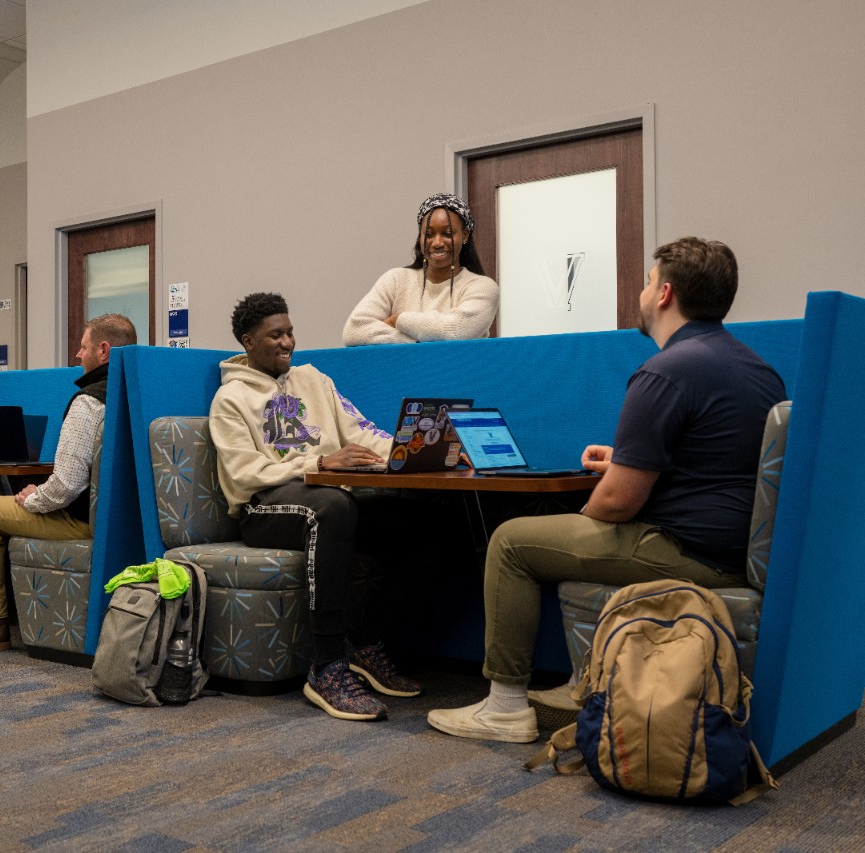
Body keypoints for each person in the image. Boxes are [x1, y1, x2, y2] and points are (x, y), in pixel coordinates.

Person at [426, 237, 787, 744]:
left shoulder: (666, 370)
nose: (640, 292)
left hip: (686, 549)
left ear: (664, 293)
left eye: (645, 281)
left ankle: (504, 707)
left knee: (510, 542)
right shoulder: (756, 368)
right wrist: (626, 461)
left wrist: (596, 504)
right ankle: (580, 684)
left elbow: (618, 502)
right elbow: (715, 458)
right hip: (731, 545)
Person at [209, 292, 421, 721]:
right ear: (248, 341)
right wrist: (319, 463)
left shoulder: (315, 380)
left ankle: (366, 644)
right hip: (264, 509)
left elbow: (361, 433)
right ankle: (326, 667)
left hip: (326, 497)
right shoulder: (230, 400)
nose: (287, 342)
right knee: (333, 506)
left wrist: (410, 452)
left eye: (289, 332)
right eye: (275, 335)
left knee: (415, 518)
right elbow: (244, 473)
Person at [0, 314, 138, 651]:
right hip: (122, 523)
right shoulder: (133, 392)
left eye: (83, 347)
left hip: (80, 522)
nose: (77, 355)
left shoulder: (88, 401)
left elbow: (67, 485)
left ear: (103, 350)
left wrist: (32, 498)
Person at [343, 193, 499, 346]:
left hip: (458, 371)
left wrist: (398, 320)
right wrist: (413, 342)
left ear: (464, 236)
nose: (437, 242)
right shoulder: (395, 280)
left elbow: (458, 330)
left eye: (447, 233)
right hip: (404, 371)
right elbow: (354, 331)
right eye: (429, 234)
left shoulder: (482, 287)